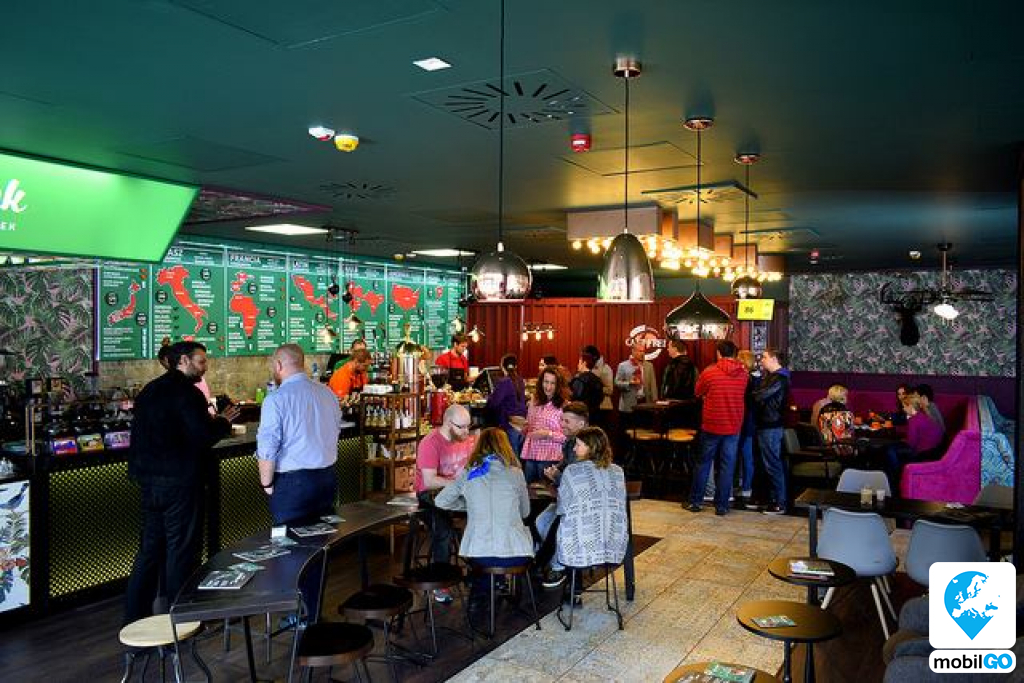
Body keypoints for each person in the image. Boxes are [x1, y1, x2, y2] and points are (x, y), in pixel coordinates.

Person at [124, 342, 239, 624]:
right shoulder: (188, 394)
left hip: (149, 482)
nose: (205, 367)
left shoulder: (150, 390)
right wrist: (222, 422)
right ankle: (182, 616)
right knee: (181, 550)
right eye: (201, 362)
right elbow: (202, 436)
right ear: (183, 361)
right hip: (179, 483)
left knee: (149, 551)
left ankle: (134, 617)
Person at [434, 428, 533, 613]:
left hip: (479, 554)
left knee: (484, 558)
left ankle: (480, 595)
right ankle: (498, 587)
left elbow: (441, 501)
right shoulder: (516, 473)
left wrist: (471, 505)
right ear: (506, 446)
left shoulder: (469, 473)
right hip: (516, 554)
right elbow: (525, 512)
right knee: (503, 549)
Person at [257, 344, 342, 524]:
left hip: (293, 483)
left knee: (290, 537)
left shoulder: (275, 399)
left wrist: (267, 483)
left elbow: (267, 447)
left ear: (278, 365)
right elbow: (336, 430)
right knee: (322, 534)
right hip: (327, 478)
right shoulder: (327, 393)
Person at [555, 427, 628, 605]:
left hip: (579, 546)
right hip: (612, 542)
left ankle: (570, 588)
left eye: (578, 445)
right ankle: (574, 589)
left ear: (591, 447)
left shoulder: (572, 471)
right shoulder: (618, 471)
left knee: (564, 524)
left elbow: (562, 508)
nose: (574, 449)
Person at [415, 404, 476, 603]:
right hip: (430, 494)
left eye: (468, 426)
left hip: (457, 492)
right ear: (449, 423)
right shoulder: (430, 443)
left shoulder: (465, 439)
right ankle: (440, 583)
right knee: (443, 531)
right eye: (461, 427)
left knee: (483, 518)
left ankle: (478, 575)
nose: (466, 431)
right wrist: (458, 484)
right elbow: (429, 481)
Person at [687, 340, 749, 516]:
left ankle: (696, 502)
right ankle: (722, 505)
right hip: (733, 425)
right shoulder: (744, 374)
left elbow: (697, 392)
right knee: (727, 466)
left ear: (719, 353)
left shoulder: (710, 372)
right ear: (734, 354)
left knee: (704, 463)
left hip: (712, 424)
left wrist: (709, 396)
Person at [536, 401, 589, 588]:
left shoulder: (586, 445)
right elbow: (566, 464)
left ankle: (557, 566)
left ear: (581, 424)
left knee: (554, 525)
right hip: (566, 501)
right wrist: (555, 469)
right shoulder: (570, 442)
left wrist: (557, 476)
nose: (562, 425)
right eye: (562, 420)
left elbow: (576, 481)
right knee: (541, 521)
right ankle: (554, 560)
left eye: (567, 421)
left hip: (580, 508)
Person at [751, 349, 790, 514]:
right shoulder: (772, 377)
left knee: (773, 464)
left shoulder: (779, 378)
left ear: (774, 359)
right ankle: (768, 499)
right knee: (765, 464)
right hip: (766, 424)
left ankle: (780, 503)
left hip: (771, 426)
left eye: (765, 357)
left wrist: (753, 387)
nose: (761, 360)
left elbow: (758, 396)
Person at [884, 393, 945, 489]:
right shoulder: (922, 415)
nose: (903, 409)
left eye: (905, 406)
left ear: (911, 407)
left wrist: (903, 439)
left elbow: (911, 443)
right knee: (895, 446)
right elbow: (914, 432)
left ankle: (897, 476)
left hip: (923, 453)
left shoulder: (913, 420)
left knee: (890, 450)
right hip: (933, 450)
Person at [521, 366, 568, 483]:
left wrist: (548, 434)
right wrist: (523, 427)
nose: (548, 387)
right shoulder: (534, 402)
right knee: (528, 490)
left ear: (558, 386)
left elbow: (567, 437)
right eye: (546, 382)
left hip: (550, 457)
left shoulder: (564, 406)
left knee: (547, 492)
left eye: (553, 383)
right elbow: (528, 427)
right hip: (531, 454)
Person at [615, 345, 658, 428]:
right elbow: (617, 382)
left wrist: (654, 403)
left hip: (645, 403)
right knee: (629, 430)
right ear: (633, 351)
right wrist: (629, 383)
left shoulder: (649, 366)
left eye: (643, 351)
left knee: (644, 430)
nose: (642, 353)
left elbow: (653, 386)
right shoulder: (623, 365)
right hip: (628, 404)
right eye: (640, 351)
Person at [484, 353, 526, 431]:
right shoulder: (520, 380)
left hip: (507, 424)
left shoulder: (504, 382)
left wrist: (488, 397)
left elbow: (493, 403)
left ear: (503, 367)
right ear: (516, 366)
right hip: (520, 421)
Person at [583, 344, 615, 428]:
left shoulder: (605, 369)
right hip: (591, 407)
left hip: (602, 408)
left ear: (594, 357)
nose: (585, 360)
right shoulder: (590, 367)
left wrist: (594, 387)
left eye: (587, 358)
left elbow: (610, 390)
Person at [568, 350, 604, 417]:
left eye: (579, 362)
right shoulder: (597, 379)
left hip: (581, 414)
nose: (577, 365)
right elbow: (600, 398)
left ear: (584, 363)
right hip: (595, 414)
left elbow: (575, 397)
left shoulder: (580, 379)